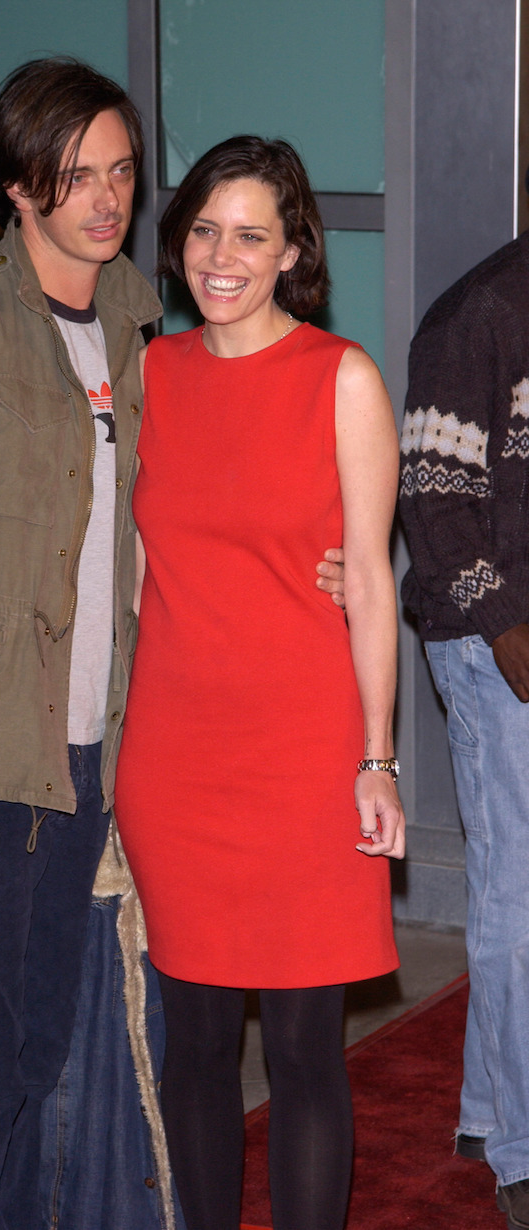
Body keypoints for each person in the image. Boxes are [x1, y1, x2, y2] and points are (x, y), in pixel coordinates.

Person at [0, 63, 348, 1227]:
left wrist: (330, 561)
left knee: (40, 1051)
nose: (106, 200)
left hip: (91, 761)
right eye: (75, 177)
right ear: (18, 186)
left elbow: (198, 504)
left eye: (120, 172)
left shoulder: (131, 322)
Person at [114, 135, 406, 1230]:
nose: (219, 258)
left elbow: (370, 584)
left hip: (301, 754)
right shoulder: (151, 373)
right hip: (174, 759)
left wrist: (374, 759)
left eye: (249, 235)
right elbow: (133, 572)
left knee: (299, 1050)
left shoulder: (341, 378)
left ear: (292, 252)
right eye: (201, 230)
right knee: (190, 1042)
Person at [399, 228, 529, 1230]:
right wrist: (501, 625)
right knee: (514, 893)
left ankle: (487, 1115)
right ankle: (522, 1148)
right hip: (497, 646)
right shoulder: (481, 311)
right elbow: (432, 503)